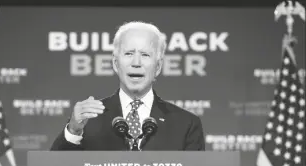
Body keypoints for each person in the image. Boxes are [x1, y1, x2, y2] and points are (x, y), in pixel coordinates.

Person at [50, 21, 205, 151]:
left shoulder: (186, 125)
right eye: (129, 54)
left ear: (157, 67)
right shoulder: (89, 120)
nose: (136, 63)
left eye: (145, 55)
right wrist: (73, 130)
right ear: (115, 63)